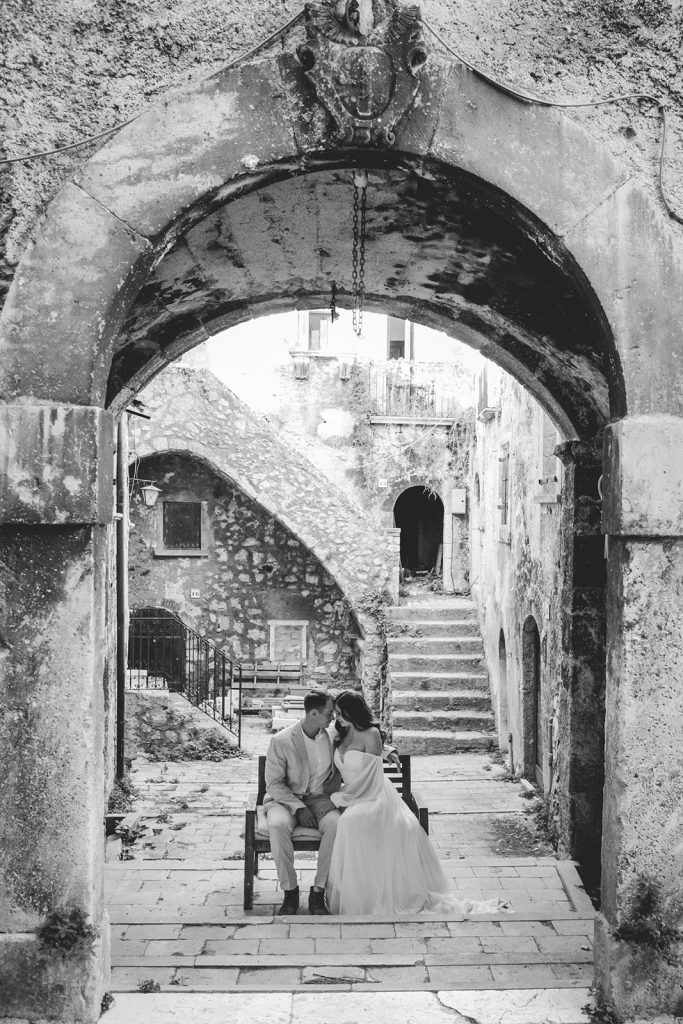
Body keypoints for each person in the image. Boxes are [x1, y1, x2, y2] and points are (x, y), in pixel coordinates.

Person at [326, 690, 511, 916]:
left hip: (373, 795)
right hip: (352, 795)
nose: (337, 718)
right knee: (347, 822)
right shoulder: (338, 731)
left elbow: (372, 777)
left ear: (352, 712)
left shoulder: (371, 733)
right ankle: (354, 893)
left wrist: (347, 799)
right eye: (335, 713)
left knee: (350, 822)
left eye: (341, 713)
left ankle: (371, 899)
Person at [264, 689, 339, 916]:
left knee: (337, 825)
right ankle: (290, 891)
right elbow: (274, 783)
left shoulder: (334, 735)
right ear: (314, 713)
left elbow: (364, 737)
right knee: (277, 825)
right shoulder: (281, 740)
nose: (333, 718)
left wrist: (388, 750)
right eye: (329, 713)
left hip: (320, 799)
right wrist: (298, 807)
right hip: (286, 800)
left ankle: (318, 891)